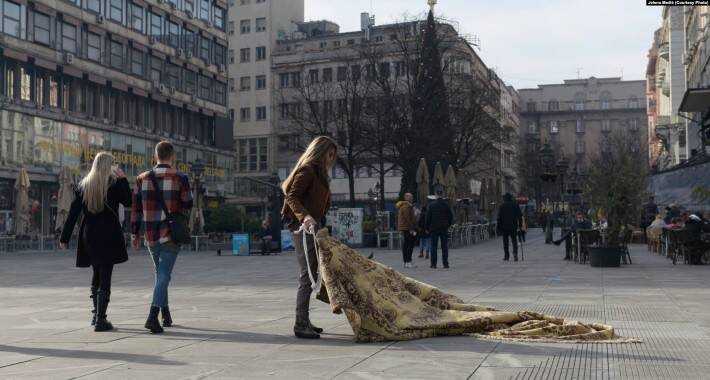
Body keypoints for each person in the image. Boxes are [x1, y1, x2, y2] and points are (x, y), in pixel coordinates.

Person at [59, 152, 132, 332]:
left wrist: (64, 237)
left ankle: (95, 315)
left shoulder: (83, 186)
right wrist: (123, 180)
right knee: (105, 274)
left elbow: (73, 213)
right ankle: (101, 319)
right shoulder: (114, 185)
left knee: (96, 272)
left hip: (89, 234)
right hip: (109, 234)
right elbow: (129, 201)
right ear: (109, 166)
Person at [131, 141, 193, 334]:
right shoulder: (180, 177)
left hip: (150, 234)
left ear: (155, 155)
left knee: (160, 274)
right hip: (170, 234)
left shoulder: (142, 178)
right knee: (164, 274)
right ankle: (152, 315)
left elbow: (135, 209)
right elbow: (188, 204)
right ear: (172, 155)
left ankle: (165, 314)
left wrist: (134, 233)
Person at [281, 136, 338, 339]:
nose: (332, 159)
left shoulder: (320, 174)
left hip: (313, 227)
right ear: (321, 152)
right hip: (302, 227)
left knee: (312, 273)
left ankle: (304, 320)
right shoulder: (308, 170)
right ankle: (300, 323)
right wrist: (305, 217)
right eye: (330, 154)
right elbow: (291, 196)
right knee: (307, 274)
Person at [425, 188, 453, 269]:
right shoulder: (446, 204)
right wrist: (448, 225)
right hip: (444, 228)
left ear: (436, 195)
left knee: (433, 246)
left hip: (434, 228)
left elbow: (428, 217)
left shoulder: (431, 205)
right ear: (442, 195)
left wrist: (427, 227)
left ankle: (433, 264)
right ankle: (445, 264)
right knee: (444, 247)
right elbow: (451, 216)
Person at [497, 193, 522, 262]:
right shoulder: (515, 205)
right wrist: (520, 225)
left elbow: (499, 218)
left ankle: (506, 256)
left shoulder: (502, 206)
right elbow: (520, 216)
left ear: (505, 198)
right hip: (513, 226)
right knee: (514, 241)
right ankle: (515, 254)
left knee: (505, 242)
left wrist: (498, 227)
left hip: (504, 227)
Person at [396, 193, 417, 268]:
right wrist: (412, 228)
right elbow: (408, 218)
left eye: (412, 197)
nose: (412, 198)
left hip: (405, 227)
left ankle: (406, 261)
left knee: (406, 244)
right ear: (406, 198)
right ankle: (408, 261)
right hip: (407, 227)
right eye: (410, 197)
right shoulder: (406, 206)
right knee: (409, 245)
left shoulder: (406, 206)